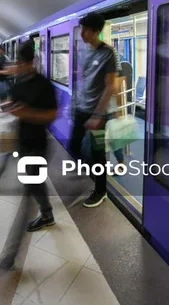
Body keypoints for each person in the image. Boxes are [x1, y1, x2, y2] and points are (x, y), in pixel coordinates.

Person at [0, 42, 58, 270]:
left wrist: (27, 113)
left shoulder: (44, 86)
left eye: (22, 63)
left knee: (26, 197)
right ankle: (48, 214)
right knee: (34, 184)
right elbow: (11, 105)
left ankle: (11, 254)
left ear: (31, 62)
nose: (19, 67)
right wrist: (9, 107)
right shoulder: (17, 84)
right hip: (21, 142)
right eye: (17, 63)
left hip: (38, 146)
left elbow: (52, 115)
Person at [69, 12, 116, 208]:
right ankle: (94, 174)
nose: (82, 34)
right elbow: (84, 80)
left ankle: (100, 190)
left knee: (98, 152)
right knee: (73, 145)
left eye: (86, 30)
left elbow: (109, 86)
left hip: (98, 114)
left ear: (96, 31)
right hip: (81, 109)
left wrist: (98, 114)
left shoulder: (108, 53)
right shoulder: (85, 51)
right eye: (82, 29)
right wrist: (75, 103)